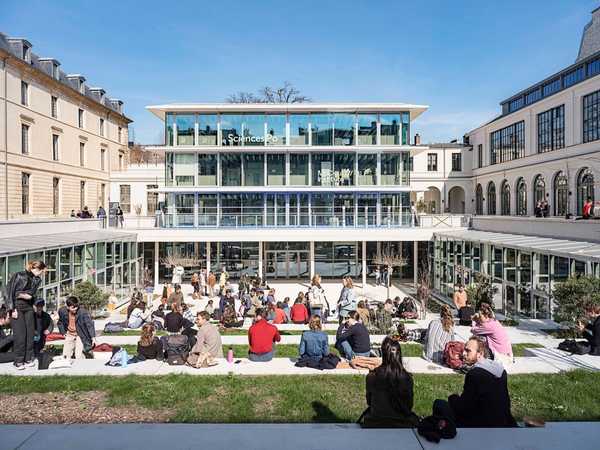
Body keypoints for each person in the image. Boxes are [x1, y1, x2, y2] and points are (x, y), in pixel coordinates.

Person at [431, 336, 517, 428]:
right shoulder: (500, 370)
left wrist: (453, 398)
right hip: (503, 421)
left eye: (468, 351)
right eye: (464, 350)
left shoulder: (475, 374)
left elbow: (463, 408)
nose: (463, 353)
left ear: (480, 354)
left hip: (479, 424)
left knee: (439, 404)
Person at [360, 336, 419, 428]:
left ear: (383, 354)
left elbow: (369, 402)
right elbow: (409, 405)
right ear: (399, 355)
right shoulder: (407, 378)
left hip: (376, 421)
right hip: (401, 422)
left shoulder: (372, 377)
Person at [5, 260, 46, 369]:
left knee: (30, 334)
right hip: (17, 306)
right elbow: (9, 292)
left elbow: (32, 294)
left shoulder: (37, 279)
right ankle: (18, 361)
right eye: (41, 271)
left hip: (28, 307)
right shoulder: (19, 275)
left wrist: (28, 296)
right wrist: (11, 309)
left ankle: (28, 358)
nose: (42, 274)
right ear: (36, 269)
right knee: (20, 335)